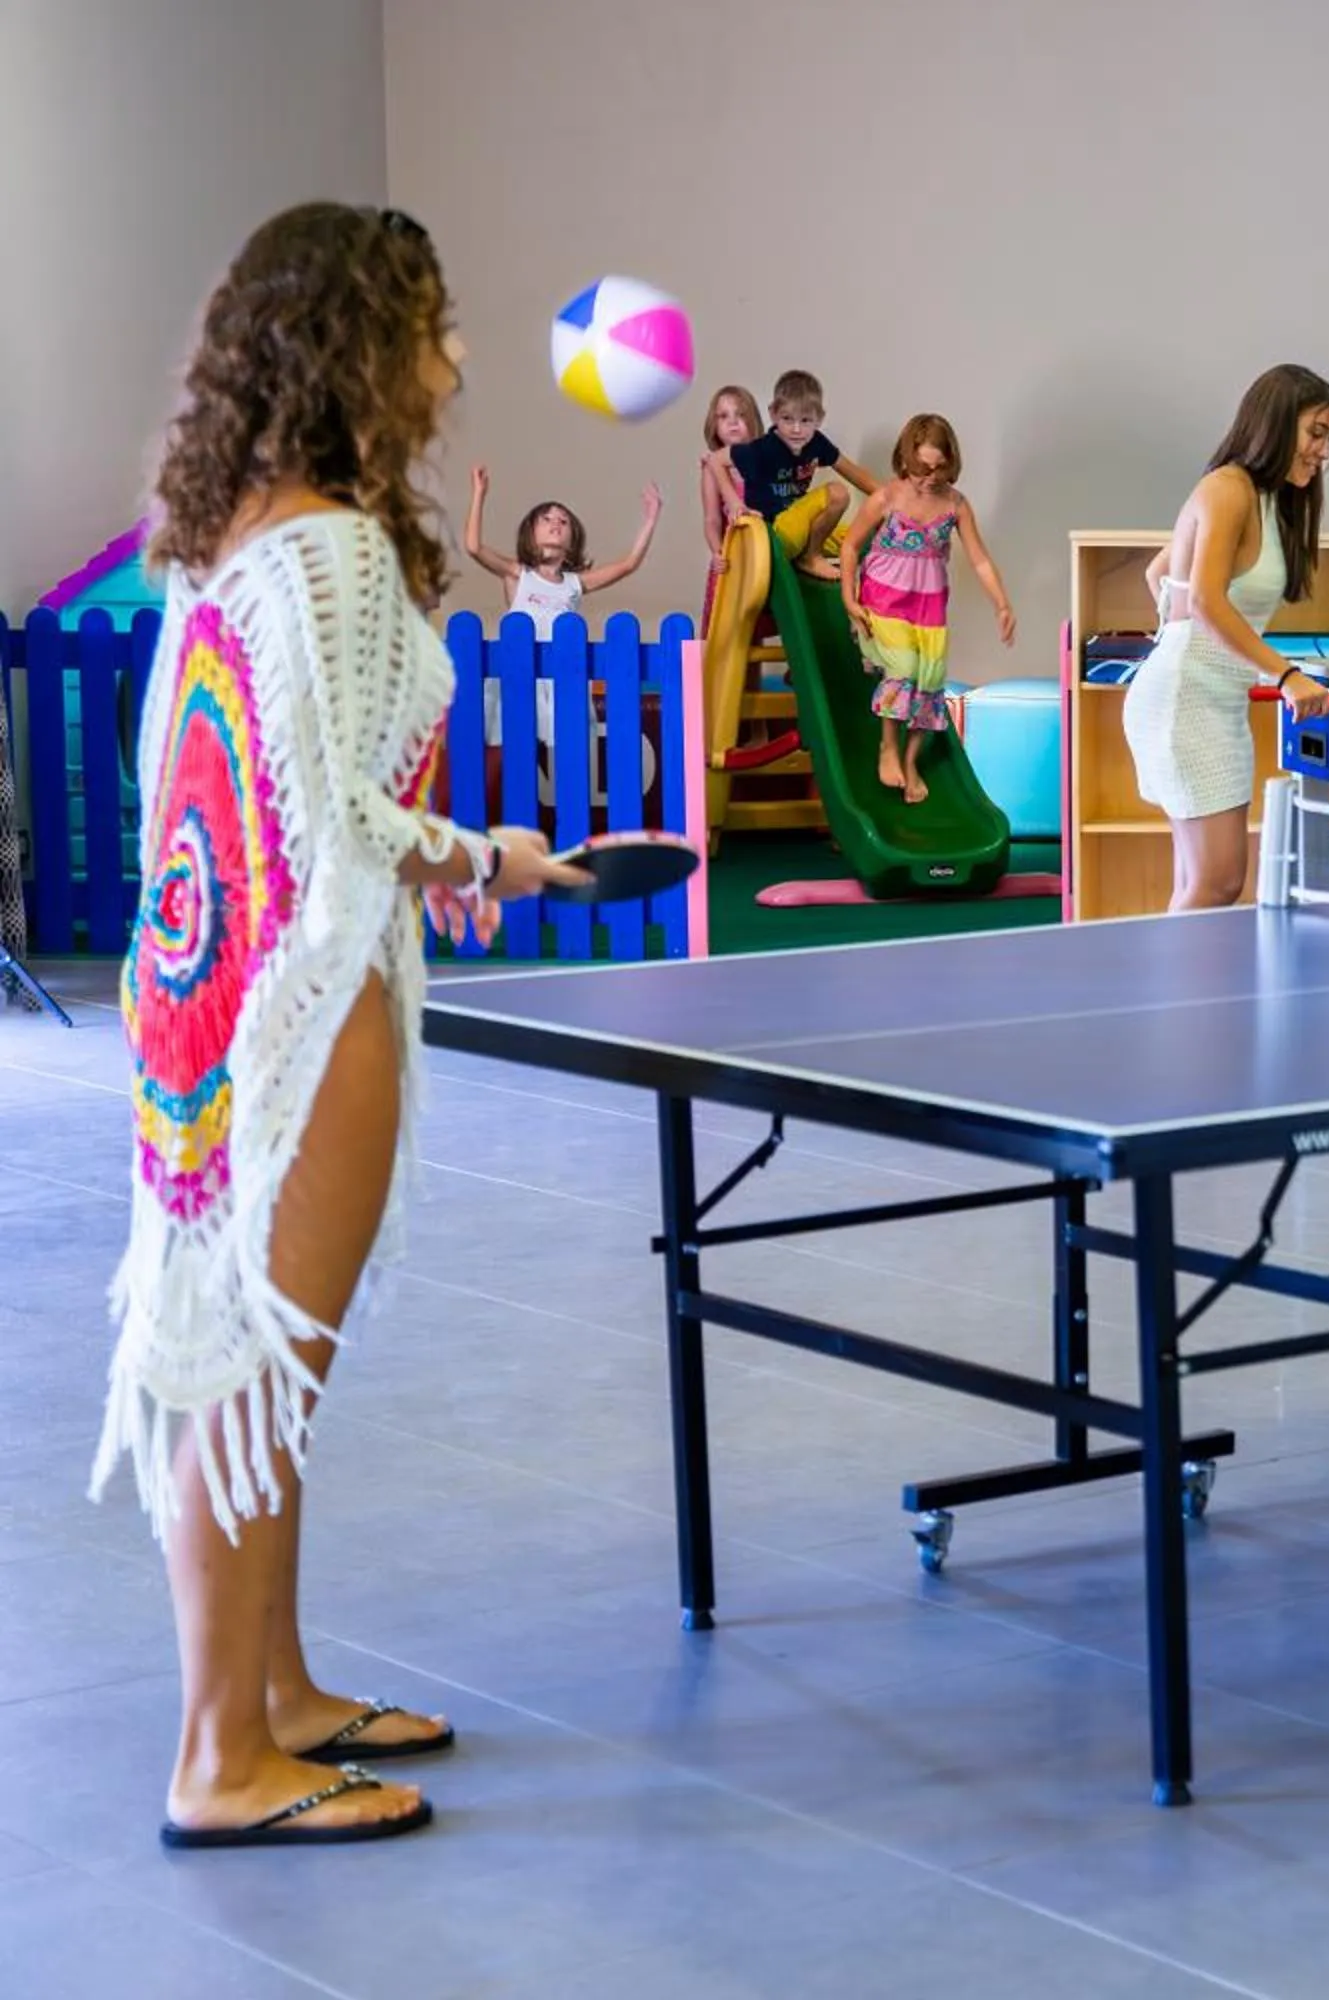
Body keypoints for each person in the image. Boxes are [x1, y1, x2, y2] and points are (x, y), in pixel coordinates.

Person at [97, 201, 587, 1851]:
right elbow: (323, 814)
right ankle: (220, 1760)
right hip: (302, 1005)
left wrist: (399, 856)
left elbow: (210, 786)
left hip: (203, 999)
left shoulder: (237, 539)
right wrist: (491, 858)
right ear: (361, 348)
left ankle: (279, 1696)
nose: (452, 360)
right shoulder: (337, 554)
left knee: (261, 1369)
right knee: (256, 1374)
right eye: (433, 327)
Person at [1121, 364, 1329, 910]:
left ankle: (1181, 996)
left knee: (1200, 883)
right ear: (1276, 422)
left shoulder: (1267, 500)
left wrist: (1183, 638)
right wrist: (1286, 676)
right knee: (1215, 883)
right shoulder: (1227, 489)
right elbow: (1202, 600)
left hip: (1210, 699)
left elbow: (1160, 574)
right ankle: (1183, 998)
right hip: (1187, 701)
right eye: (1316, 432)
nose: (1323, 451)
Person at [840, 413, 1017, 801]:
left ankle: (910, 758)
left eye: (939, 468)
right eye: (921, 468)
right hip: (884, 600)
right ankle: (888, 745)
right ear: (905, 460)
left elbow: (980, 559)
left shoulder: (955, 505)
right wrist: (849, 596)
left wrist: (1001, 604)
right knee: (902, 670)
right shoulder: (886, 498)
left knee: (929, 681)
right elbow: (851, 545)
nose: (930, 478)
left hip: (929, 608)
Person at [727, 369, 879, 579]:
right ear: (773, 414)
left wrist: (889, 498)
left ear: (819, 419)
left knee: (856, 537)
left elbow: (852, 471)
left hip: (798, 531)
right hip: (772, 535)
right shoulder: (763, 448)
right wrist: (734, 502)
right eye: (787, 419)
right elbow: (716, 461)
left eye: (806, 420)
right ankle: (811, 557)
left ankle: (810, 553)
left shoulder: (816, 442)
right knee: (838, 493)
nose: (796, 429)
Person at [461, 470, 662, 628]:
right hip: (522, 675)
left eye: (563, 521)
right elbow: (474, 547)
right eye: (546, 519)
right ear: (530, 534)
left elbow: (628, 564)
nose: (555, 523)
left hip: (562, 676)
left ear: (573, 541)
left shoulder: (575, 583)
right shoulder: (518, 574)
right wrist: (479, 493)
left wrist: (651, 520)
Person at [696, 382, 760, 628]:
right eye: (724, 416)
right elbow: (711, 519)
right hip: (731, 560)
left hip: (761, 557)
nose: (733, 422)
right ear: (714, 425)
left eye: (740, 415)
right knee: (723, 629)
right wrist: (716, 551)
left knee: (753, 629)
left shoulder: (764, 459)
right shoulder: (712, 468)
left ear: (753, 420)